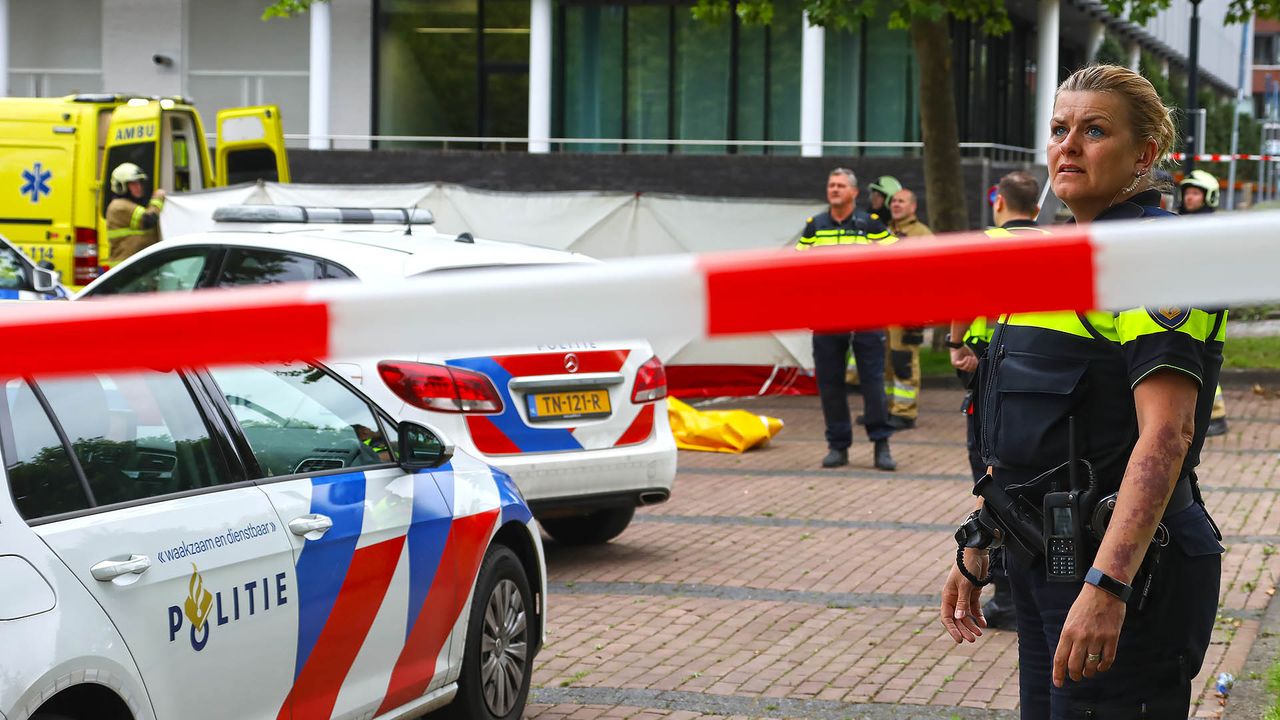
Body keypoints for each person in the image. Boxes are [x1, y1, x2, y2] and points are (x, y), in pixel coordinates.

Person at [940, 65, 1224, 719]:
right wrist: (983, 540)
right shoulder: (1053, 257)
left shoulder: (1155, 257)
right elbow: (1024, 432)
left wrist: (1109, 584)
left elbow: (1168, 434)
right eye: (1059, 129)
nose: (1068, 146)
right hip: (1047, 566)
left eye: (1094, 131)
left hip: (1129, 578)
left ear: (1144, 154)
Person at [947, 169, 1044, 631]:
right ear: (1038, 208)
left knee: (990, 471)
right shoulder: (1056, 242)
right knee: (1030, 469)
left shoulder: (981, 243)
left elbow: (962, 298)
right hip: (1042, 370)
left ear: (998, 203)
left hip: (989, 365)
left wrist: (955, 344)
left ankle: (1001, 585)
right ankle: (1020, 584)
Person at [797, 168, 897, 471]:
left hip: (867, 314)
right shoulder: (815, 226)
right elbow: (800, 267)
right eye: (831, 185)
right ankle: (837, 446)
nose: (835, 189)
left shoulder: (870, 224)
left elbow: (897, 261)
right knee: (829, 383)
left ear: (854, 192)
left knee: (873, 383)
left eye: (841, 186)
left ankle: (881, 445)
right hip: (827, 316)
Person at [1179, 169, 1230, 436]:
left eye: (1196, 193)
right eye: (1187, 192)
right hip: (1186, 299)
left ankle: (1213, 416)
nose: (1189, 198)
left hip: (1205, 303)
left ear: (1208, 197)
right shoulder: (1179, 223)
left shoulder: (1212, 228)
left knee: (1203, 357)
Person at [881, 188, 931, 429]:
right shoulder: (884, 231)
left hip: (907, 312)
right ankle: (887, 409)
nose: (896, 205)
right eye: (893, 201)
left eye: (901, 201)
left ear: (913, 207)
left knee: (904, 361)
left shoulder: (923, 235)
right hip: (882, 309)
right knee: (884, 363)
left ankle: (905, 412)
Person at [105, 162, 165, 265]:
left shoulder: (131, 204)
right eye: (133, 184)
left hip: (135, 267)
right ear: (120, 186)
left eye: (139, 183)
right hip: (126, 270)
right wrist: (158, 199)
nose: (139, 187)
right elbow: (148, 219)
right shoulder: (119, 206)